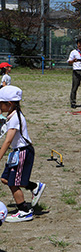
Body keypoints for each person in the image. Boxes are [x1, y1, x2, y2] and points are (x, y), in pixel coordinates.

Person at [0, 86, 46, 222]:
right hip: (17, 152)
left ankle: (24, 211)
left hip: (22, 152)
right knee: (6, 179)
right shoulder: (11, 114)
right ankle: (34, 186)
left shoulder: (15, 118)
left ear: (9, 104)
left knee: (13, 182)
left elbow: (8, 140)